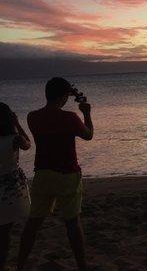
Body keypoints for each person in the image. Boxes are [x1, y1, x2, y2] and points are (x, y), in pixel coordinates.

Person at [17, 77, 93, 271]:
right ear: (62, 96)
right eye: (66, 95)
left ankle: (20, 265)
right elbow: (88, 135)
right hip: (67, 174)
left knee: (33, 223)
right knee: (72, 223)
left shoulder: (32, 117)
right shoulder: (70, 118)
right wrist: (87, 114)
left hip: (43, 173)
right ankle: (82, 266)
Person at [0, 104, 31, 271]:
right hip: (9, 189)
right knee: (4, 232)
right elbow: (28, 144)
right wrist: (18, 125)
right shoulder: (14, 139)